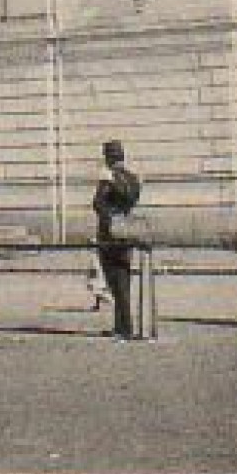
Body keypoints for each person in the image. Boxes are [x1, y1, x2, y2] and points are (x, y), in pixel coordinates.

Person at [92, 140, 143, 340]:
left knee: (114, 280)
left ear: (107, 157)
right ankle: (120, 325)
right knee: (124, 277)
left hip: (110, 233)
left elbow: (97, 203)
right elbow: (132, 199)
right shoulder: (133, 178)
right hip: (126, 231)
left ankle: (125, 328)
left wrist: (110, 216)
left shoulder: (108, 177)